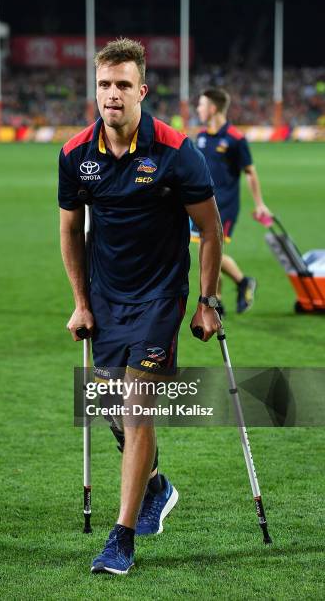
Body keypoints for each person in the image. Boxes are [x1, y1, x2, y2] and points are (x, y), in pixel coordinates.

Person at [59, 38, 222, 575]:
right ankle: (156, 485)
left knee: (135, 406)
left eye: (123, 85)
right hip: (107, 298)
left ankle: (121, 535)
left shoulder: (176, 150)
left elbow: (211, 227)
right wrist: (81, 303)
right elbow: (70, 230)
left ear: (142, 91)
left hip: (160, 296)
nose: (112, 94)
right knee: (110, 410)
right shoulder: (74, 154)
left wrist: (206, 301)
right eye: (104, 84)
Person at [194, 87, 272, 314]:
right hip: (202, 203)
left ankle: (241, 282)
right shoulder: (201, 137)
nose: (198, 108)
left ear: (213, 108)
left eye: (201, 104)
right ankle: (218, 299)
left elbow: (250, 171)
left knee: (209, 251)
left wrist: (259, 203)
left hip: (224, 205)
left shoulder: (235, 139)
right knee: (208, 252)